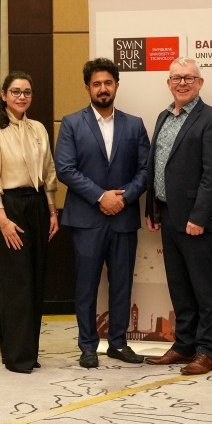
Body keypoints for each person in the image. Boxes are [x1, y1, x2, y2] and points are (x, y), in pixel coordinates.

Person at [55, 58, 150, 368]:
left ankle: (118, 343)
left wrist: (124, 197)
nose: (103, 88)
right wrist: (100, 197)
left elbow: (145, 169)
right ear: (87, 88)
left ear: (117, 85)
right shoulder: (71, 123)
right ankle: (87, 346)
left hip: (123, 217)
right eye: (96, 84)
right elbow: (65, 169)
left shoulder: (134, 124)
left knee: (122, 283)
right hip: (86, 219)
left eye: (108, 83)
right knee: (86, 284)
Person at [143, 57, 212, 374]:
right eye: (176, 78)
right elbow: (155, 167)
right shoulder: (163, 117)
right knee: (179, 286)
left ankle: (207, 350)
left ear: (200, 83)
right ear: (168, 83)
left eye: (189, 78)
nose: (182, 82)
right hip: (167, 215)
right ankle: (184, 345)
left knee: (205, 288)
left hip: (196, 220)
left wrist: (200, 217)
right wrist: (152, 208)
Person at [0, 72, 59, 374]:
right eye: (15, 91)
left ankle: (30, 351)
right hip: (9, 207)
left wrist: (52, 211)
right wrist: (3, 221)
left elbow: (48, 172)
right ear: (3, 95)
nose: (22, 97)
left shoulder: (38, 128)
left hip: (37, 204)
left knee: (36, 280)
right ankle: (15, 356)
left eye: (27, 92)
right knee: (16, 283)